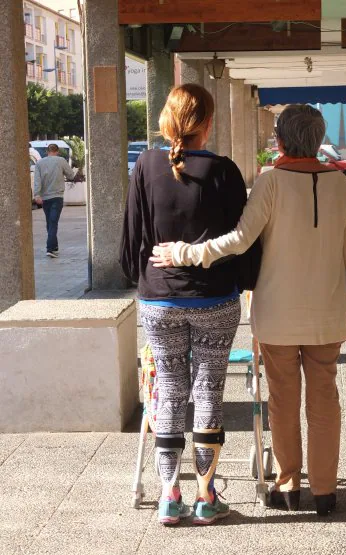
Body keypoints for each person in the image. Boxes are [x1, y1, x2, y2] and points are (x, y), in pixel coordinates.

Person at [150, 104, 346, 517]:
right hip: (328, 313)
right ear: (317, 140)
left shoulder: (271, 183)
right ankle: (325, 490)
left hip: (276, 314)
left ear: (281, 140)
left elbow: (238, 240)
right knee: (325, 400)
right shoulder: (342, 185)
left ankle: (289, 485)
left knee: (283, 400)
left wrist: (186, 252)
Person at [119, 84, 261, 526]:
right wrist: (247, 283)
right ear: (207, 123)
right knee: (207, 390)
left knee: (169, 390)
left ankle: (168, 494)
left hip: (159, 298)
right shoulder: (225, 171)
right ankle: (206, 496)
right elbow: (243, 243)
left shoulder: (144, 165)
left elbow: (131, 240)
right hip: (215, 298)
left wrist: (146, 280)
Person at [33, 143, 76, 258]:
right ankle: (50, 248)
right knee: (53, 222)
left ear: (47, 151)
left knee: (50, 222)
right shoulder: (61, 161)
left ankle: (54, 246)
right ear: (57, 151)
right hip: (57, 197)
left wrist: (36, 195)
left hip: (45, 198)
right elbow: (71, 175)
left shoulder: (39, 163)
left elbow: (37, 180)